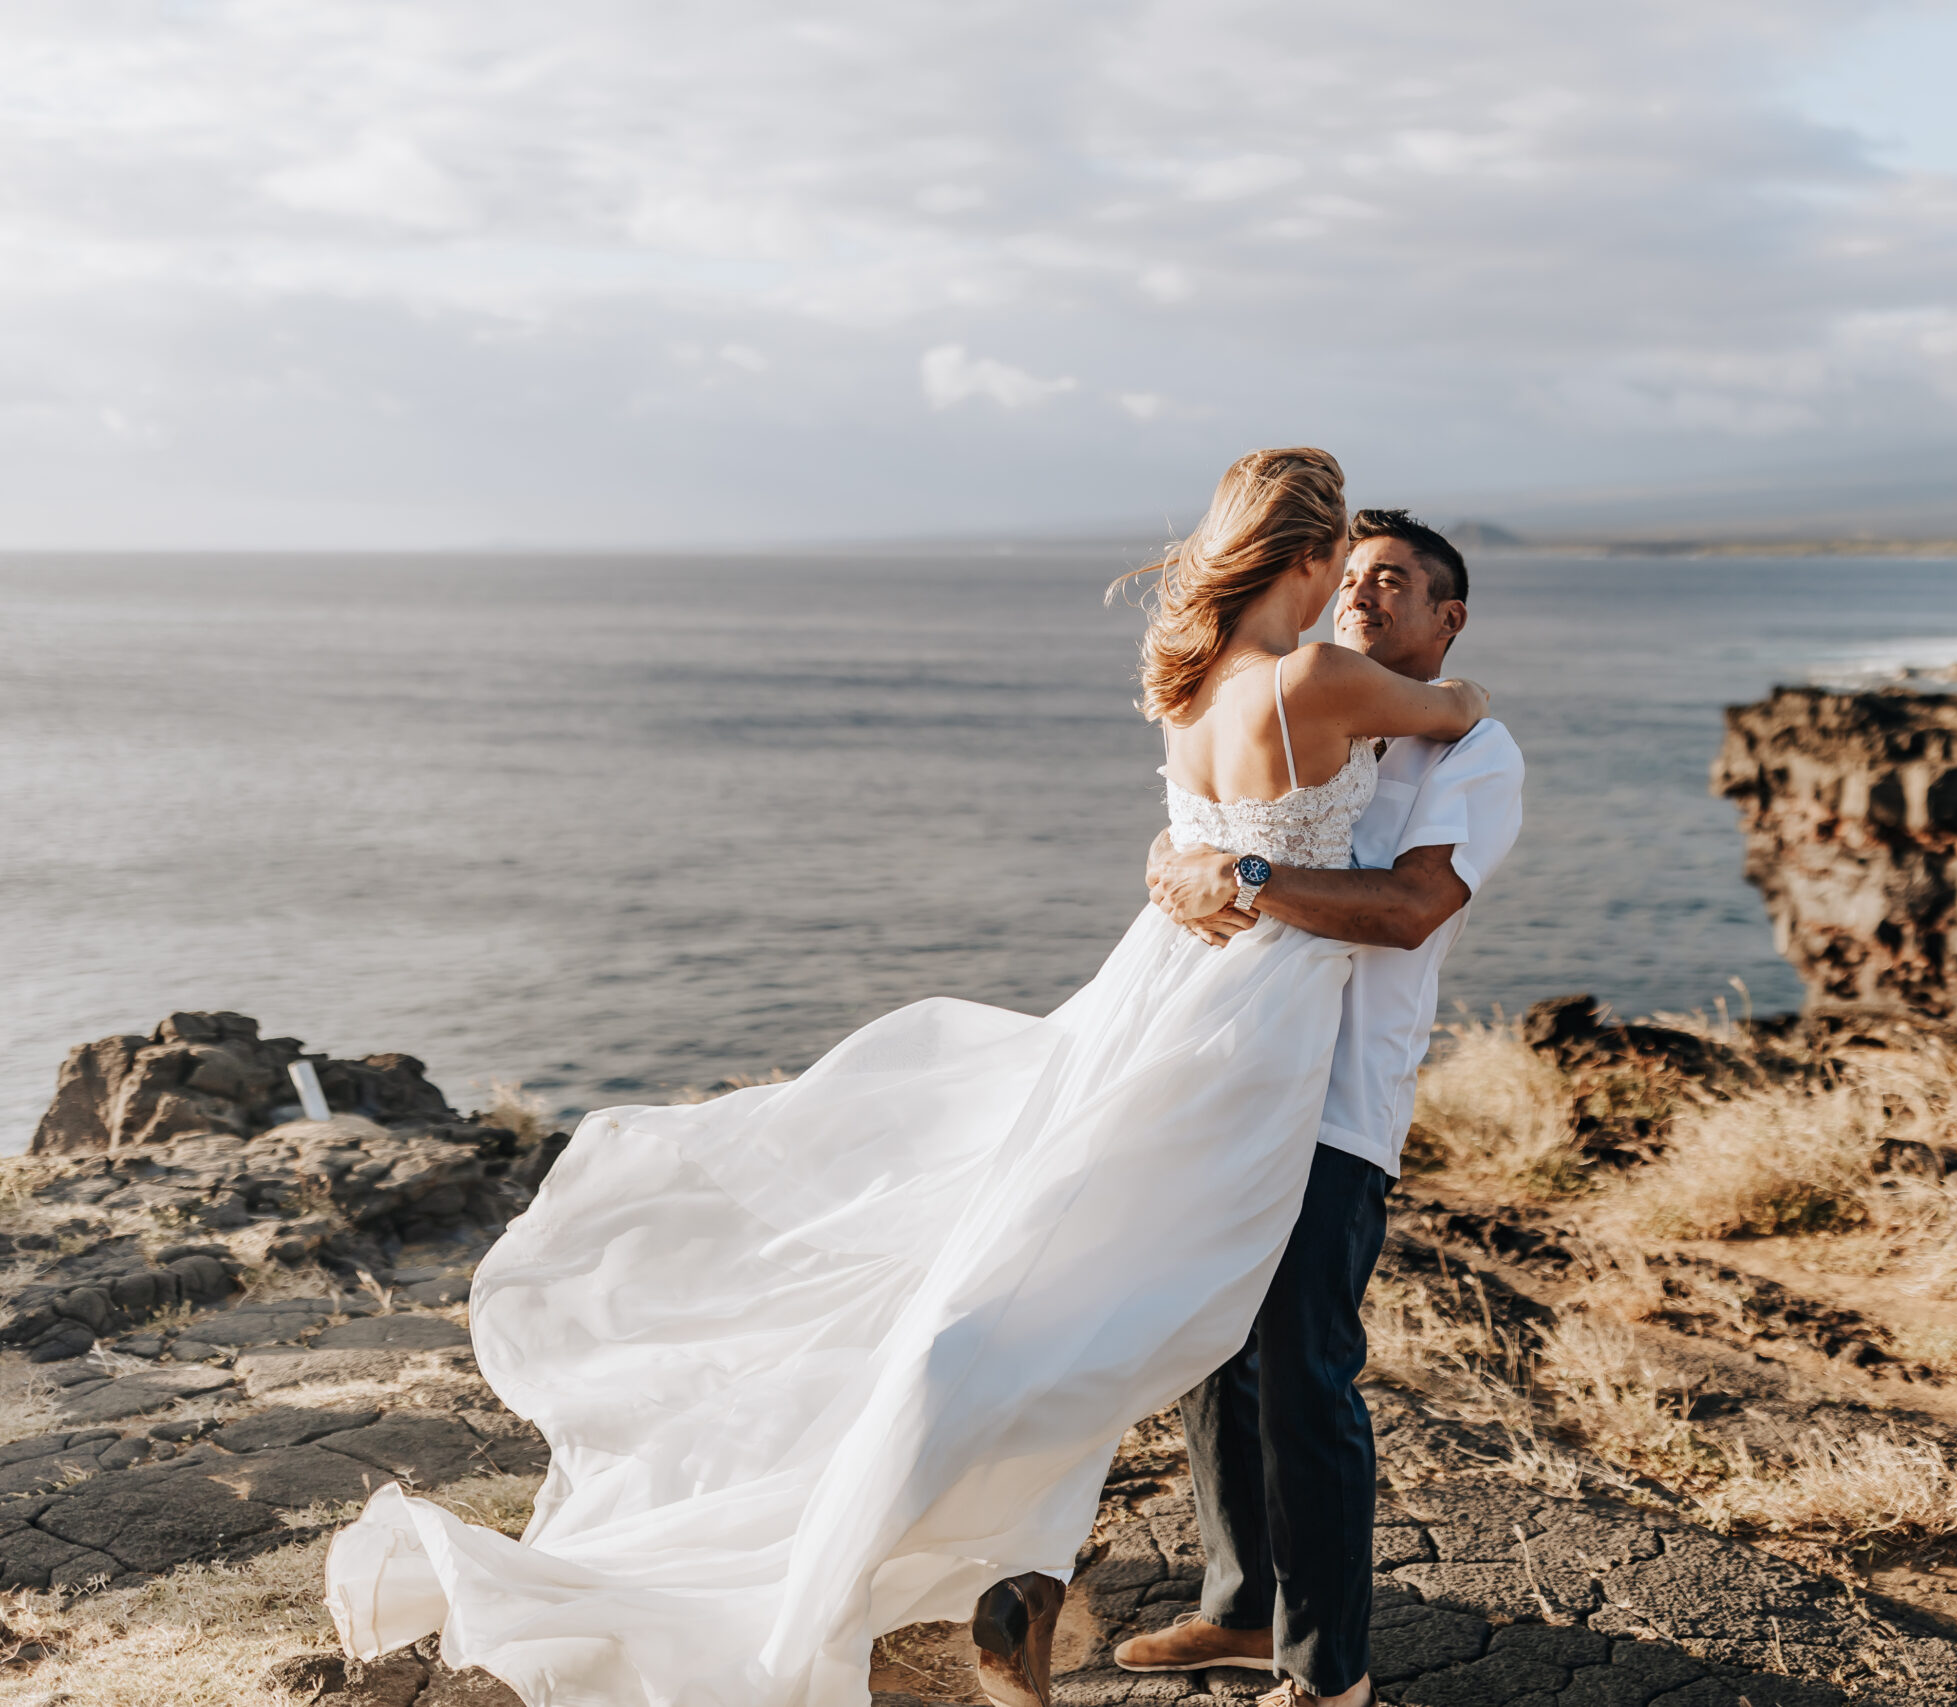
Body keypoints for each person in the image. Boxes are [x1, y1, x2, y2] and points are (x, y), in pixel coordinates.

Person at [320, 448, 1492, 1707]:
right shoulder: (1316, 678)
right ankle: (1058, 1583)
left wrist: (1199, 855)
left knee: (1078, 1289)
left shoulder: (1192, 679)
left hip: (1150, 996)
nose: (1350, 599)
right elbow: (1459, 711)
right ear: (1309, 560)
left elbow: (1218, 833)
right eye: (1344, 572)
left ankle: (1021, 1572)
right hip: (1252, 1028)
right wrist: (1434, 681)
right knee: (1144, 1313)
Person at [1096, 510, 1523, 1707]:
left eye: (1395, 582)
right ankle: (1238, 1612)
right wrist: (1184, 861)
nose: (1364, 596)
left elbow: (1405, 908)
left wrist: (1241, 875)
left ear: (1449, 619)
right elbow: (1214, 828)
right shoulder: (1301, 702)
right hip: (1224, 1073)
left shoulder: (1474, 753)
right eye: (1356, 576)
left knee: (1302, 1373)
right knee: (1210, 1354)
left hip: (1338, 1097)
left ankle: (1327, 1673)